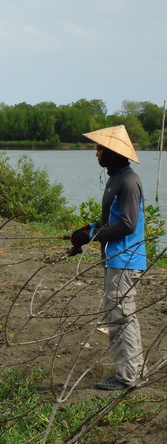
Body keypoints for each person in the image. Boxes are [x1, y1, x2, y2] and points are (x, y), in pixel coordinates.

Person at [68, 125, 146, 390]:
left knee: (121, 317)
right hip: (116, 258)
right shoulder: (116, 178)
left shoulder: (128, 181)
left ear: (112, 153)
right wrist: (86, 232)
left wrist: (95, 235)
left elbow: (127, 224)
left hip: (125, 259)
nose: (96, 154)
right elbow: (109, 221)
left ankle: (127, 377)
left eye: (100, 149)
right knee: (120, 315)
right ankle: (132, 370)